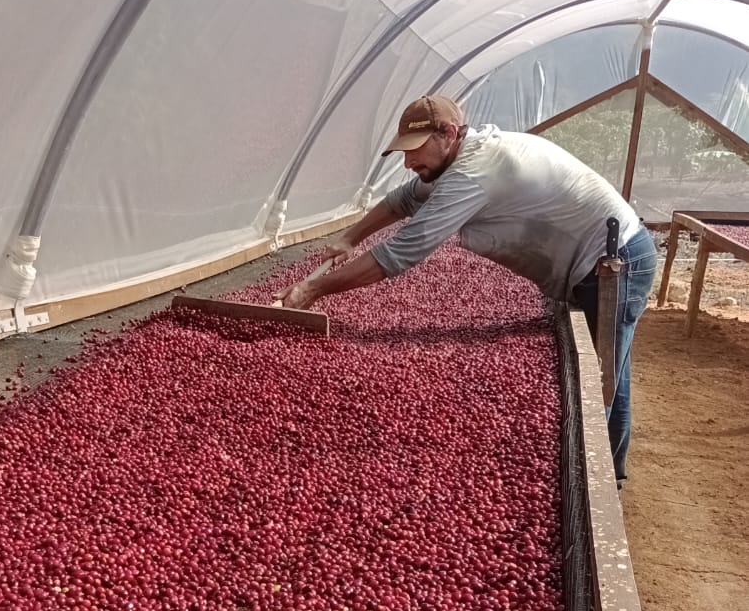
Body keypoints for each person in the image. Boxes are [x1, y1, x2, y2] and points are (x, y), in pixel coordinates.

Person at [277, 94, 658, 487]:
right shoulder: (457, 160)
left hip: (615, 262)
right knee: (598, 371)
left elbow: (402, 251)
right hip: (588, 263)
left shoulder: (475, 172)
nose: (408, 162)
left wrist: (314, 288)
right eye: (404, 152)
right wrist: (349, 238)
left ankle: (604, 481)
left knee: (604, 378)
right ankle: (603, 473)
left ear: (448, 133)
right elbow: (403, 199)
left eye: (415, 151)